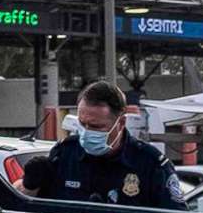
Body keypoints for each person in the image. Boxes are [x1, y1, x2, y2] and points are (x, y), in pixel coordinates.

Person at [19, 80, 173, 205]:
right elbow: (22, 204)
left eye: (95, 126)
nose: (86, 132)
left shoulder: (150, 164)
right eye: (82, 124)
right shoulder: (65, 154)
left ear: (121, 123)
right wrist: (29, 185)